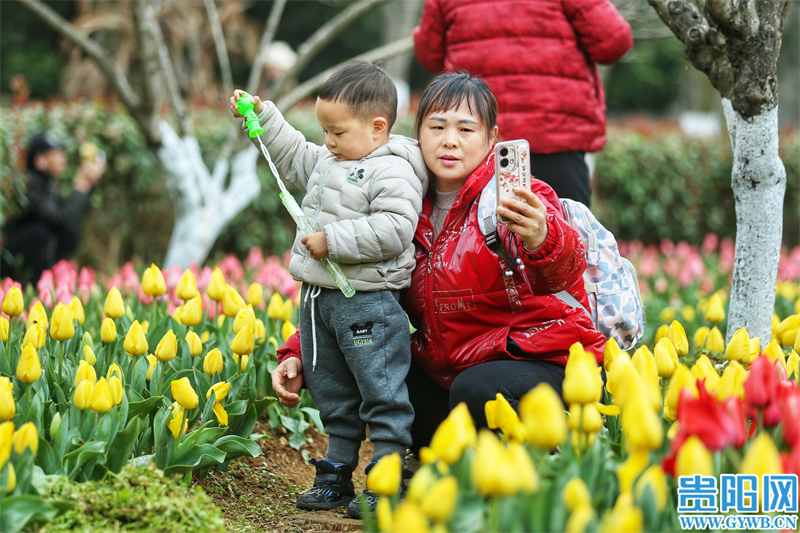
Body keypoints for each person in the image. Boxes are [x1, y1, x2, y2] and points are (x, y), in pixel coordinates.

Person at [272, 72, 606, 490]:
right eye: (437, 127)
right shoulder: (402, 202)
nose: (450, 140)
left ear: (491, 137)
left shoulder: (514, 198)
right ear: (418, 133)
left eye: (466, 129)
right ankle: (443, 467)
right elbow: (360, 289)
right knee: (376, 365)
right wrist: (301, 350)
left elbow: (563, 272)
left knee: (478, 389)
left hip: (541, 360)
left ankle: (527, 469)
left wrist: (542, 237)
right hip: (449, 367)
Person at [230, 59, 428, 516]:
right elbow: (294, 154)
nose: (328, 141)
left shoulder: (392, 170)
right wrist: (267, 116)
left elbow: (396, 228)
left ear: (378, 128)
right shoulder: (330, 158)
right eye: (324, 131)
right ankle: (336, 473)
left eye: (337, 132)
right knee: (333, 391)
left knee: (381, 390)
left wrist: (332, 242)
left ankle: (385, 478)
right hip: (320, 299)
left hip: (368, 302)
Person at [412, 0, 633, 207]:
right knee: (568, 232)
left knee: (481, 239)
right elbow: (614, 42)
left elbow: (429, 55)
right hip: (556, 133)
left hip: (478, 139)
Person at [0, 131, 105, 286]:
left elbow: (69, 217)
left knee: (70, 236)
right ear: (40, 160)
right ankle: (31, 284)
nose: (63, 158)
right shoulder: (30, 184)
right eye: (57, 154)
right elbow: (62, 218)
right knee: (41, 233)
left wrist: (89, 185)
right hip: (14, 255)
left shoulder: (46, 182)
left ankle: (47, 282)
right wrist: (81, 185)